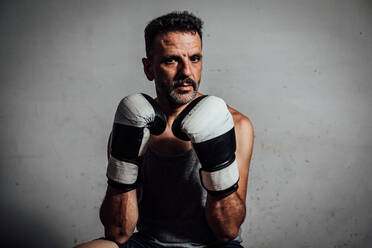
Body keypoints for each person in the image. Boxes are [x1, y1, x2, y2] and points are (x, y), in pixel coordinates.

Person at [75, 11, 254, 248]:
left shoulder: (235, 125)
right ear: (149, 68)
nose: (187, 72)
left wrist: (217, 167)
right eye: (171, 60)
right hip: (150, 243)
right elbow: (118, 232)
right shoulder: (133, 124)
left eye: (195, 58)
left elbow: (227, 231)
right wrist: (123, 168)